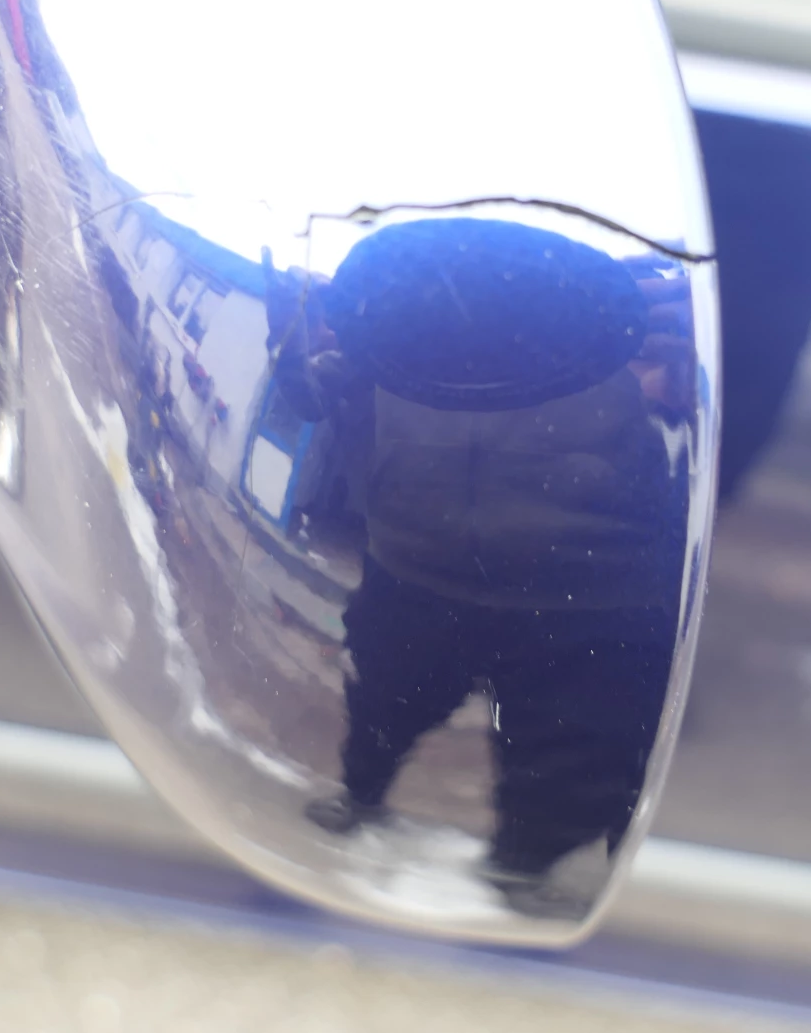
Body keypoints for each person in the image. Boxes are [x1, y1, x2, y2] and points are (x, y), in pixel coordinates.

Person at [268, 218, 688, 908]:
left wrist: (678, 372)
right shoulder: (396, 335)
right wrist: (287, 334)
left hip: (582, 591)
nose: (484, 310)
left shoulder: (601, 333)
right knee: (384, 701)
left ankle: (527, 863)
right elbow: (311, 392)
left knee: (569, 743)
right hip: (419, 569)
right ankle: (362, 791)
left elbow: (698, 449)